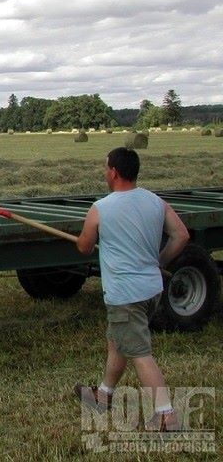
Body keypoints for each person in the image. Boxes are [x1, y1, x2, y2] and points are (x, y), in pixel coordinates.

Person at [74, 147, 189, 432]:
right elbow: (181, 235)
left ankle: (166, 415)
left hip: (126, 295)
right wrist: (158, 261)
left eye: (105, 168)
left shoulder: (101, 208)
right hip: (151, 289)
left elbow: (84, 247)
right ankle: (103, 395)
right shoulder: (155, 201)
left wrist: (86, 236)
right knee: (118, 341)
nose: (104, 172)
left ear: (113, 172)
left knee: (139, 353)